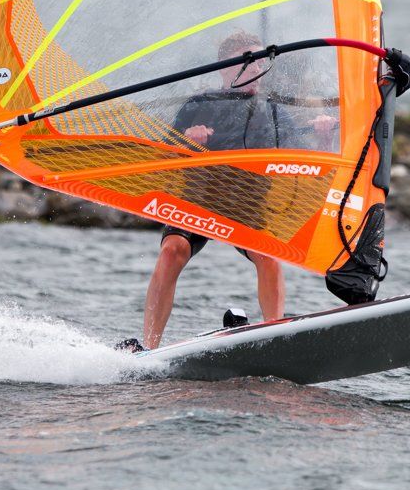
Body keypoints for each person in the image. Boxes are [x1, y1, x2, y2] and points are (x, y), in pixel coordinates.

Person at [123, 32, 337, 351]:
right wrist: (188, 140)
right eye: (249, 61)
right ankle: (150, 347)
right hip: (198, 199)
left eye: (261, 62)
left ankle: (274, 337)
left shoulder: (273, 111)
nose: (258, 69)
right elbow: (165, 156)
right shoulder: (199, 105)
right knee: (171, 251)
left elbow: (309, 166)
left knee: (268, 254)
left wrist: (324, 137)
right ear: (225, 66)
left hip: (247, 205)